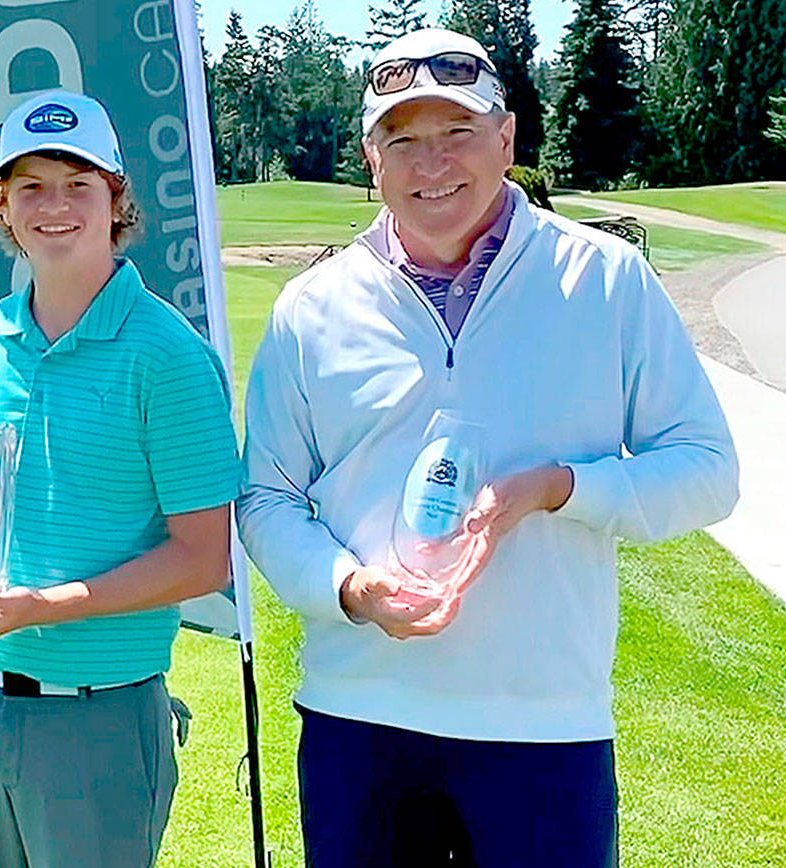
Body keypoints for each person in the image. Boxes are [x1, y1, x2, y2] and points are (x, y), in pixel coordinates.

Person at [237, 29, 739, 867]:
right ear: (371, 158)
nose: (432, 166)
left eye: (457, 134)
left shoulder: (604, 280)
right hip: (358, 720)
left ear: (506, 138)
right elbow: (267, 497)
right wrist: (350, 588)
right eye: (403, 141)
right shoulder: (312, 307)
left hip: (544, 724)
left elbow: (707, 472)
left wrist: (561, 489)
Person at [0, 90, 240, 867]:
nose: (55, 207)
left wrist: (41, 610)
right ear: (3, 206)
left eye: (78, 185)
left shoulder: (169, 356)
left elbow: (202, 559)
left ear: (116, 200)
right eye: (31, 187)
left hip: (97, 718)